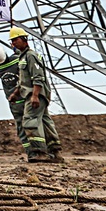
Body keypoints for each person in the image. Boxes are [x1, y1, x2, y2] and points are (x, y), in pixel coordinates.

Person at [9, 27, 62, 163]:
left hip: (35, 94)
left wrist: (35, 95)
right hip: (31, 94)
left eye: (15, 40)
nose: (13, 43)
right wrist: (15, 94)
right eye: (12, 41)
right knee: (44, 122)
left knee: (29, 120)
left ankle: (40, 153)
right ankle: (55, 152)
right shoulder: (23, 57)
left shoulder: (31, 56)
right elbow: (23, 81)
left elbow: (38, 77)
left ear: (24, 39)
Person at [0, 45, 31, 159]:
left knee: (21, 127)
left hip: (13, 102)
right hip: (24, 98)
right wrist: (14, 47)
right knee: (33, 124)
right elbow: (21, 54)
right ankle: (39, 149)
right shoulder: (15, 60)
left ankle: (29, 151)